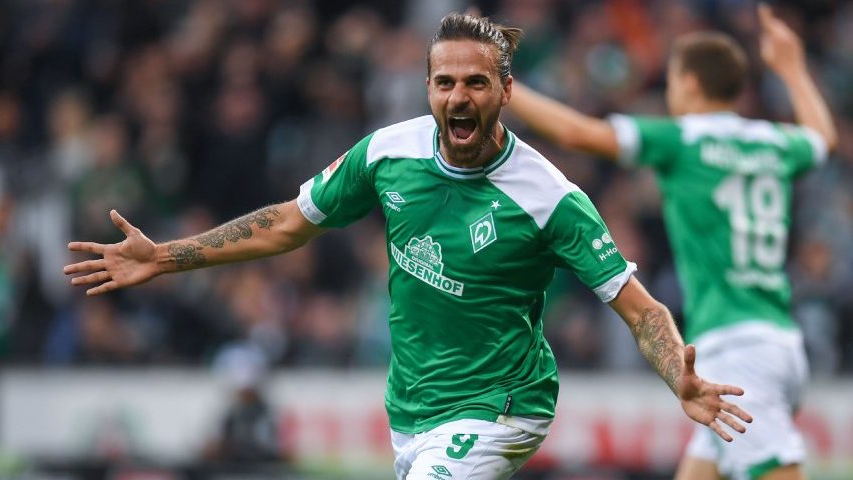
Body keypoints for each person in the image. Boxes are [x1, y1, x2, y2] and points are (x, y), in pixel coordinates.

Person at [65, 13, 751, 480]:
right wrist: (166, 257)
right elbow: (287, 225)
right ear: (428, 88)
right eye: (445, 82)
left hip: (502, 406)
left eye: (476, 82)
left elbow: (639, 308)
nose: (459, 96)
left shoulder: (549, 197)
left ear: (506, 90)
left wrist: (678, 376)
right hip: (412, 409)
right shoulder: (388, 154)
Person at [507, 5, 835, 480]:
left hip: (737, 349)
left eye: (674, 80)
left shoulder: (683, 140)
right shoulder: (773, 142)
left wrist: (504, 87)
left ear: (692, 83)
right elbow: (822, 138)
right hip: (778, 339)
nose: (670, 91)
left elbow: (575, 132)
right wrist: (792, 66)